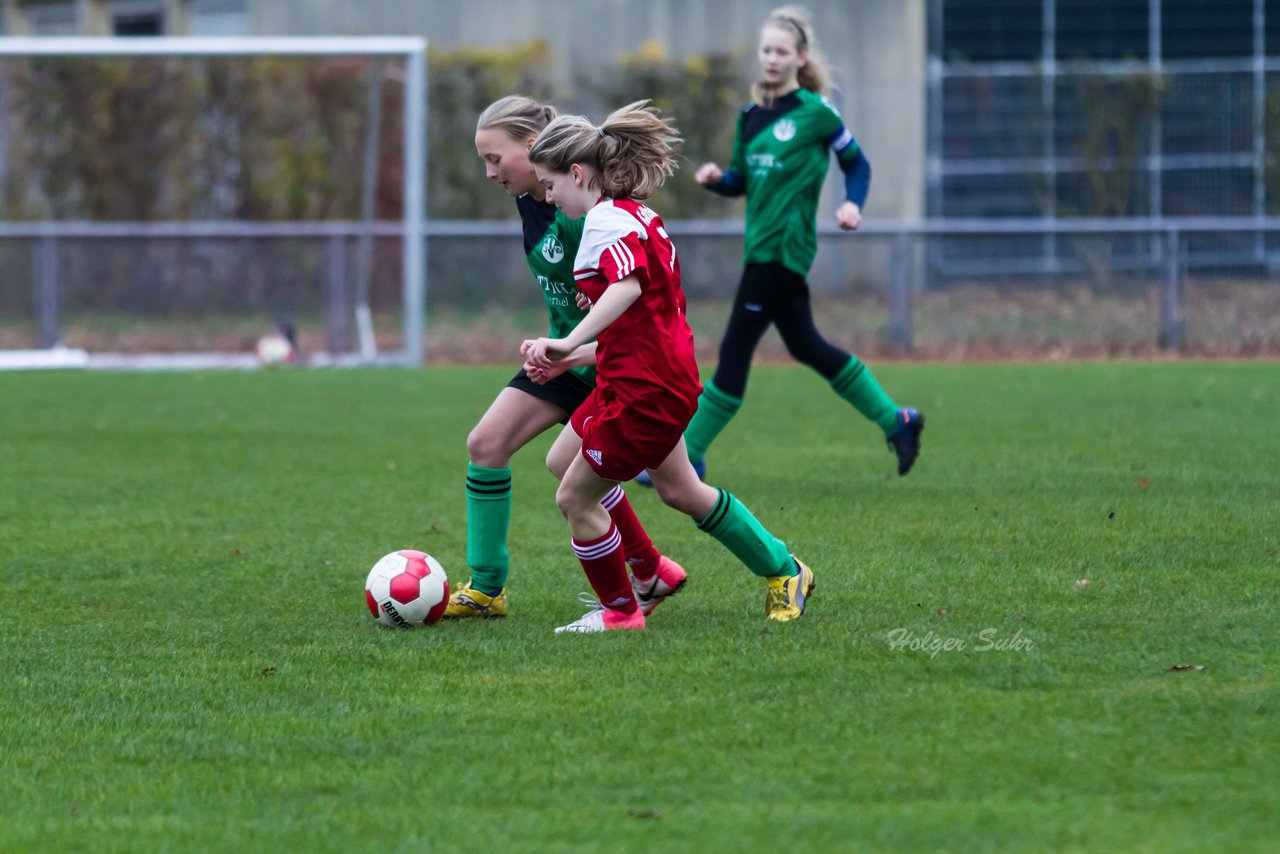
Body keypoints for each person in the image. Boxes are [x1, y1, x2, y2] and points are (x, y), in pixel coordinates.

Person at [523, 101, 815, 634]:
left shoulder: (603, 222)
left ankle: (621, 612)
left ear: (577, 173)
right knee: (648, 482)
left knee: (574, 496)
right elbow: (637, 322)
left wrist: (565, 343)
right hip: (649, 377)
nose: (548, 197)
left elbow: (627, 289)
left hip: (645, 390)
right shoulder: (633, 213)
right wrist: (568, 355)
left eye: (549, 185)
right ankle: (780, 569)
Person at [637, 5, 923, 488]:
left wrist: (852, 205)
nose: (771, 58)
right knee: (809, 346)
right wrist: (716, 180)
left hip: (785, 251)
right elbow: (742, 181)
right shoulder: (750, 117)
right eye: (766, 50)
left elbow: (859, 165)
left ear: (800, 57)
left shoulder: (816, 113)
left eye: (781, 51)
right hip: (761, 248)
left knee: (733, 353)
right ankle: (898, 421)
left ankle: (692, 457)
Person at [445, 95, 687, 620]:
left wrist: (579, 338)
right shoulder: (535, 196)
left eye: (494, 159)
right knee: (486, 443)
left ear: (533, 149)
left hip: (611, 363)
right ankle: (487, 588)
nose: (489, 173)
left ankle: (768, 567)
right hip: (562, 358)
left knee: (679, 489)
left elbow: (627, 286)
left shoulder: (583, 208)